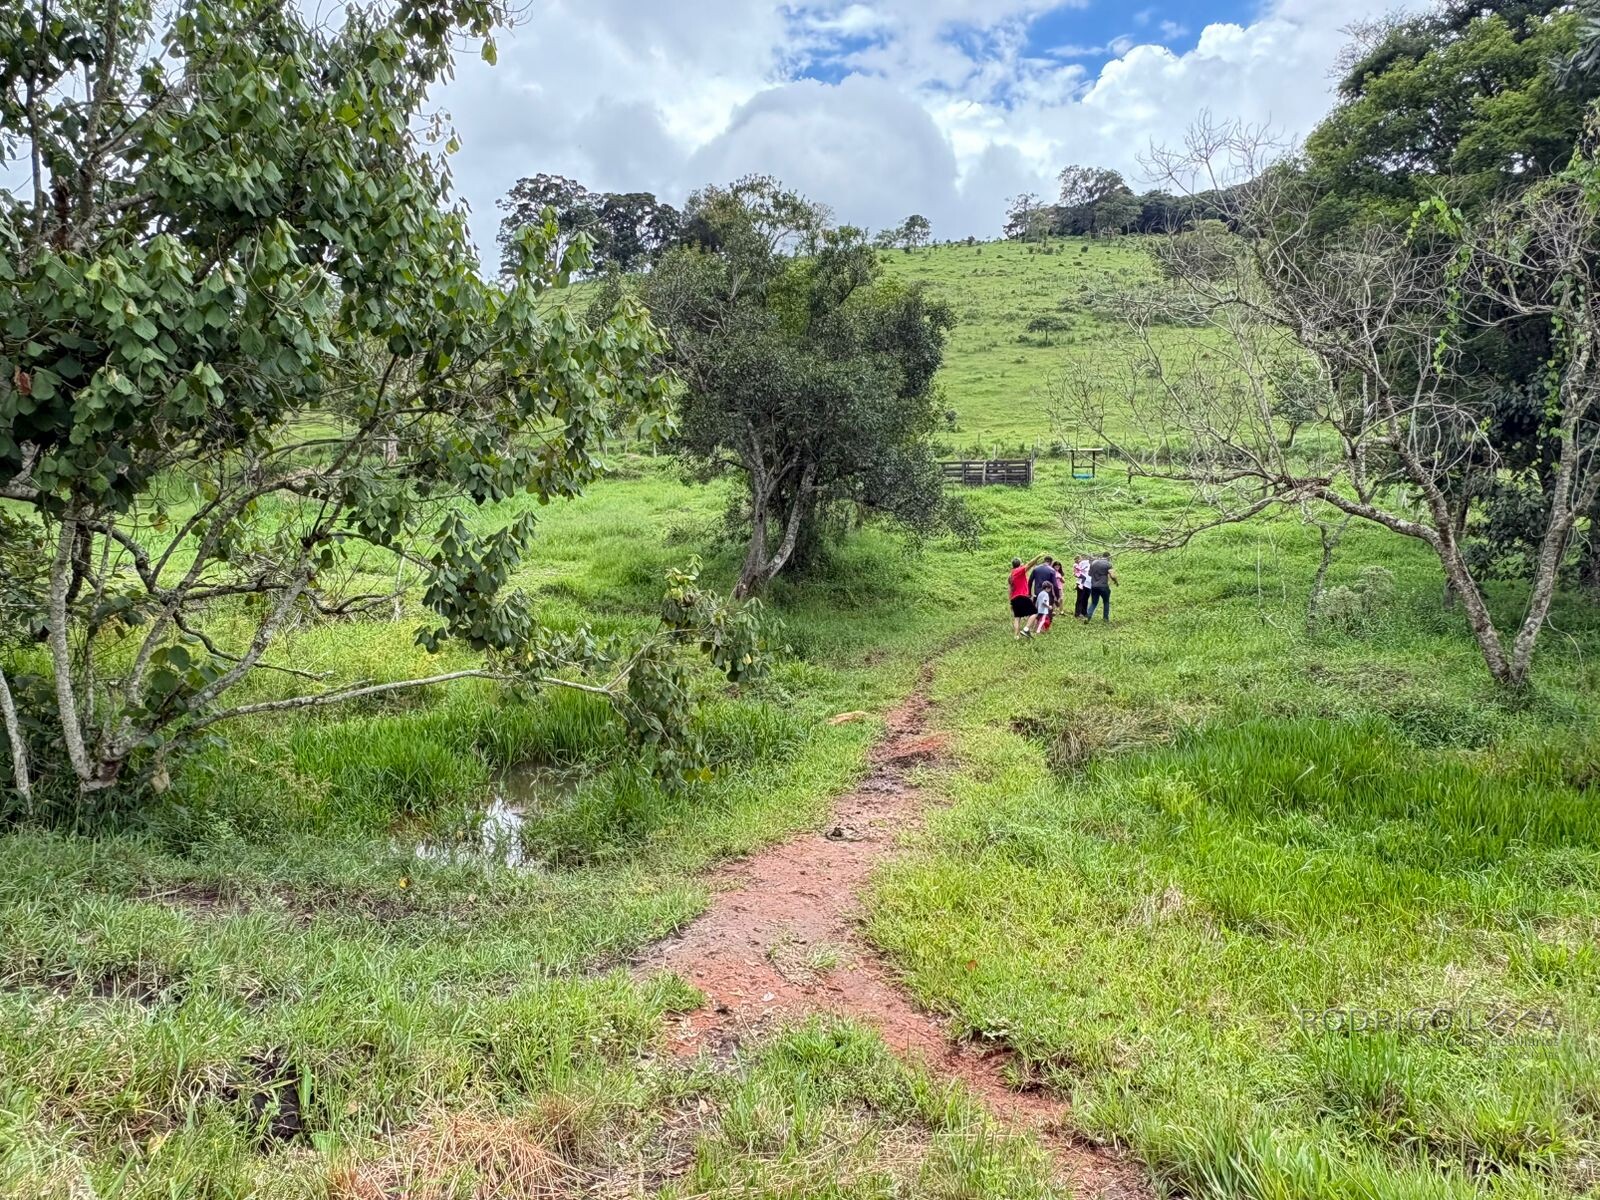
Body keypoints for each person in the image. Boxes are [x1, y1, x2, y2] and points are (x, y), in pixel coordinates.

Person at [1008, 553, 1047, 638]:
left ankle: (1016, 636)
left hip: (1014, 598)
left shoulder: (1011, 575)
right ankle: (1026, 629)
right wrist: (1038, 556)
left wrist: (1010, 601)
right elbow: (1029, 564)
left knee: (1017, 617)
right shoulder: (1018, 571)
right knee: (1034, 612)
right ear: (1019, 564)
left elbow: (1010, 589)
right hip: (1021, 596)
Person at [1027, 556, 1058, 634]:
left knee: (1035, 611)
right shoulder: (1052, 570)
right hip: (1047, 594)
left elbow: (1030, 581)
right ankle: (1044, 628)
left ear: (1044, 561)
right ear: (1051, 562)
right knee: (1047, 611)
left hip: (1037, 593)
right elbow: (1055, 585)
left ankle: (1031, 627)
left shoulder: (1036, 569)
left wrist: (1029, 593)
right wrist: (1056, 596)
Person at [1086, 553, 1118, 622]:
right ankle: (1105, 618)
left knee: (1094, 602)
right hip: (1103, 586)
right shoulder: (1108, 564)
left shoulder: (1094, 563)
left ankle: (1088, 615)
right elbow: (1112, 575)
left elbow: (1089, 574)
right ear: (1109, 557)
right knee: (1106, 602)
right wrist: (1116, 581)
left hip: (1094, 586)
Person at [1072, 555, 1091, 621]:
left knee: (1086, 598)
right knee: (1080, 598)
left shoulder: (1092, 565)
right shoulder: (1083, 563)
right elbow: (1078, 571)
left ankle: (1084, 612)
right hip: (1081, 583)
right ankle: (1078, 613)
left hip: (1089, 583)